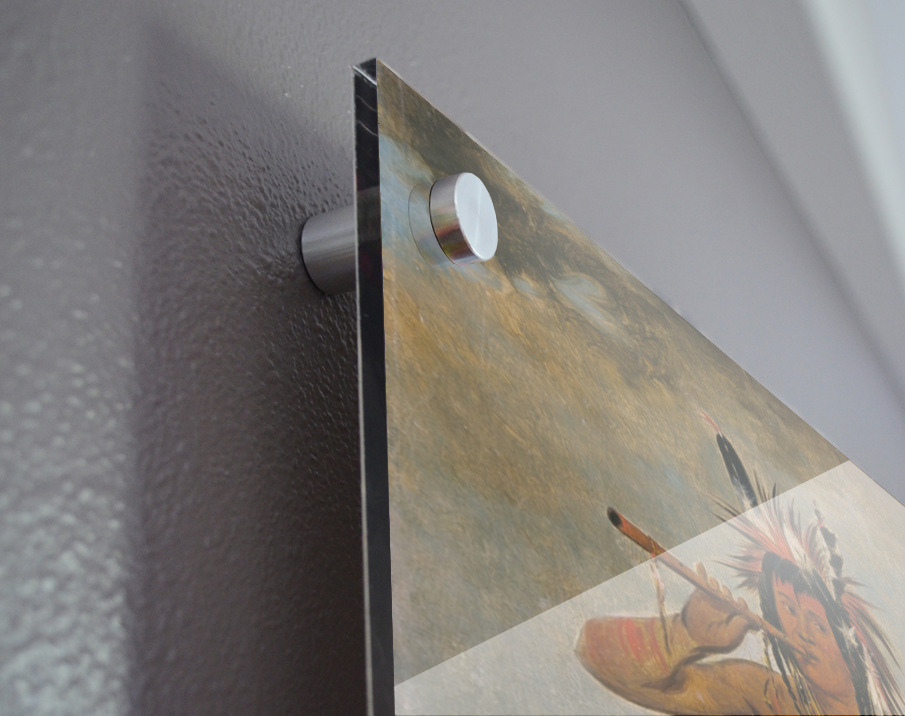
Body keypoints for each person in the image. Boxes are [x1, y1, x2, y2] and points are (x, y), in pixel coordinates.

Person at [577, 501, 903, 715]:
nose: (801, 634)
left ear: (854, 644)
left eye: (819, 625)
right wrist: (684, 635)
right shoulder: (767, 696)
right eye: (789, 611)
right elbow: (594, 650)